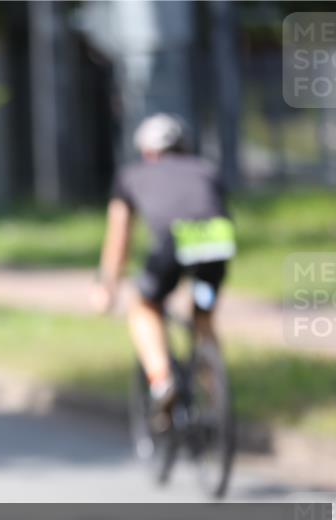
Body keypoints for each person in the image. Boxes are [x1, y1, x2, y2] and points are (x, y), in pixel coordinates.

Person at [93, 113, 235, 426]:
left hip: (174, 243)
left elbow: (119, 238)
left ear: (146, 151)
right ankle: (216, 403)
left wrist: (108, 285)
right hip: (217, 244)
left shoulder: (132, 176)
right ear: (185, 147)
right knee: (203, 316)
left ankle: (161, 381)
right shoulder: (206, 169)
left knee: (144, 305)